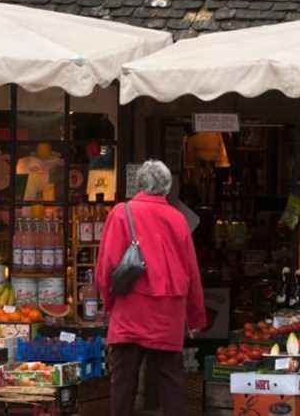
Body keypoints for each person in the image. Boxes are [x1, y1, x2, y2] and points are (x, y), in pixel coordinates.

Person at [96, 160, 206, 416]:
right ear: (167, 188)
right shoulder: (178, 219)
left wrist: (108, 303)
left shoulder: (121, 213)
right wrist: (195, 318)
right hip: (168, 312)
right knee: (171, 383)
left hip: (130, 310)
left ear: (140, 185)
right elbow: (191, 272)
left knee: (123, 383)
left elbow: (107, 266)